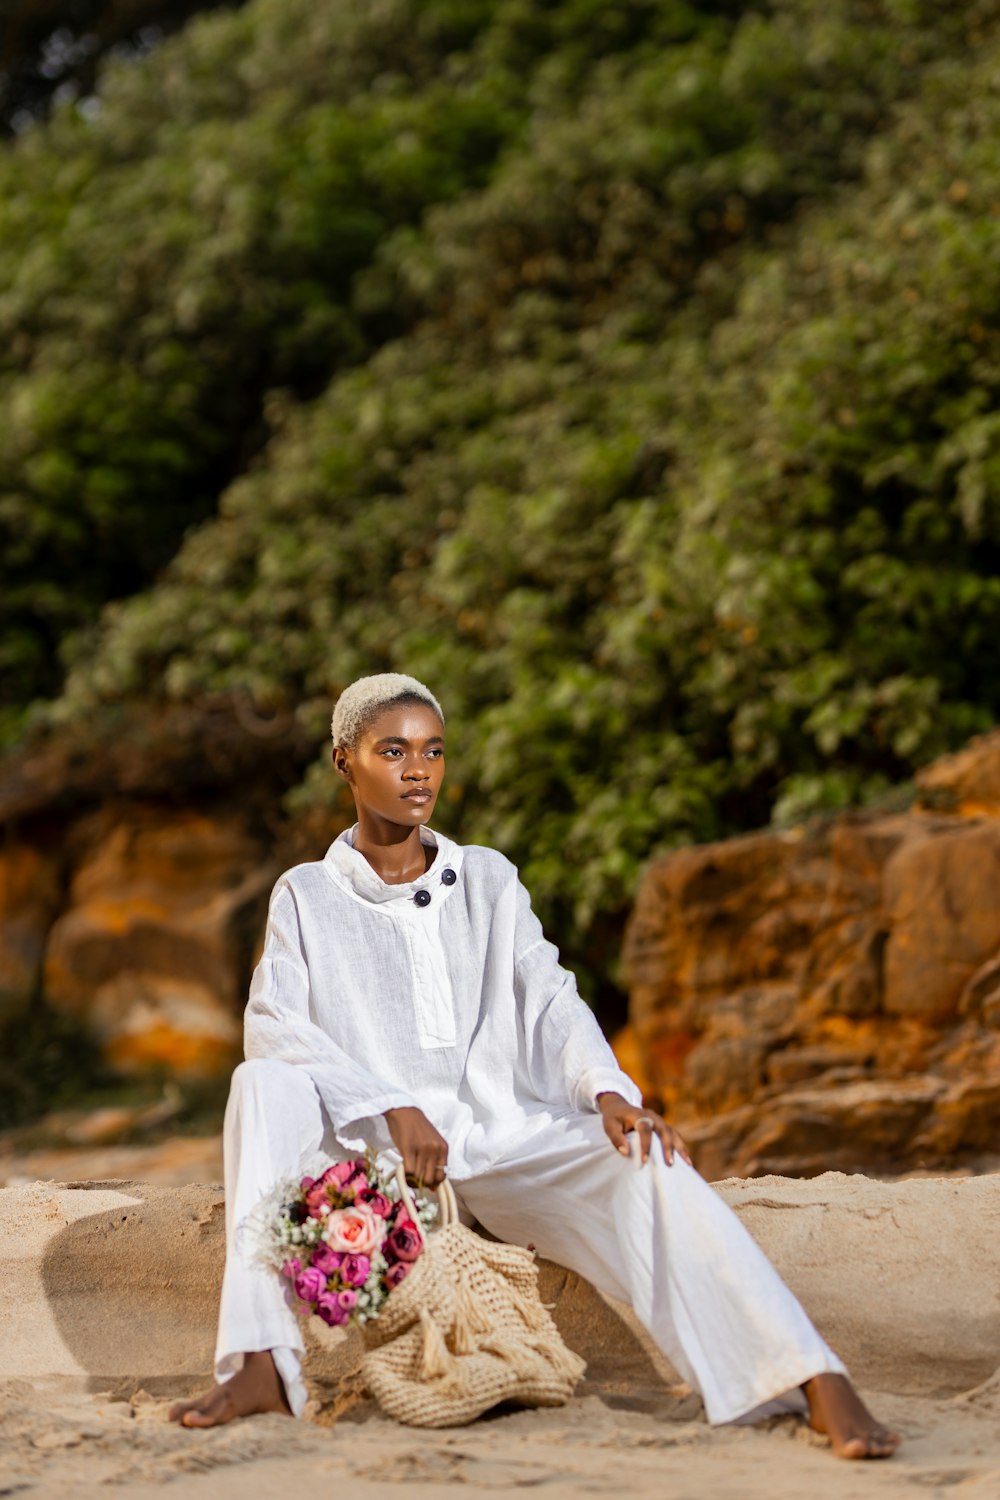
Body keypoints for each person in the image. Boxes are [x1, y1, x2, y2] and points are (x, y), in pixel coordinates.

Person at [170, 673, 899, 1459]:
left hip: (506, 1138)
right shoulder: (306, 894)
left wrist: (611, 1091)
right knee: (261, 1083)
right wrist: (389, 1104)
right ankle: (259, 1365)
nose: (419, 770)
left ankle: (808, 1374)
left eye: (433, 751)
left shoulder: (487, 877)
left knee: (647, 1161)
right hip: (375, 1167)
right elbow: (275, 1025)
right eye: (393, 750)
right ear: (345, 761)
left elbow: (549, 994)